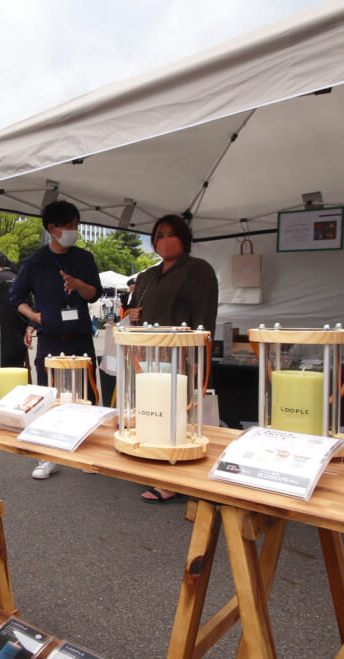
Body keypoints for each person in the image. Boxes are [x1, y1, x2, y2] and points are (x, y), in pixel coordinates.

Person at [126, 214, 218, 504]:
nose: (163, 241)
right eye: (158, 235)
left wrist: (197, 357)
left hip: (182, 354)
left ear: (184, 238)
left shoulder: (198, 270)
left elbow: (204, 319)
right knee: (155, 410)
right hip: (151, 354)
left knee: (178, 411)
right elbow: (133, 310)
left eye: (170, 234)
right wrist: (133, 315)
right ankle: (156, 460)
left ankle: (173, 476)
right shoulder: (147, 276)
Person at [10, 200, 101, 479]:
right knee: (48, 393)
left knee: (86, 393)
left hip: (80, 337)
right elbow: (16, 297)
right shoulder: (35, 262)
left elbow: (94, 294)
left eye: (76, 225)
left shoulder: (84, 258)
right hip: (50, 338)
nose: (74, 230)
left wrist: (79, 285)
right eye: (69, 226)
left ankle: (87, 451)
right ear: (52, 228)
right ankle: (47, 455)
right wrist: (35, 318)